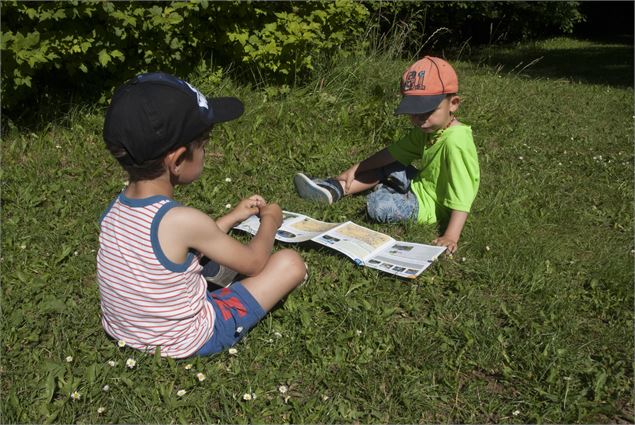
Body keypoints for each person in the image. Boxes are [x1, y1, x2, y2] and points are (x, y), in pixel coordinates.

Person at [97, 72, 307, 359]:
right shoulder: (183, 220)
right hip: (190, 339)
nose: (207, 152)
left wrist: (233, 216)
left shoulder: (115, 211)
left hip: (127, 332)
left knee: (208, 265)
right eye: (204, 145)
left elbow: (185, 244)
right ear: (178, 160)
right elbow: (255, 263)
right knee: (289, 263)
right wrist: (270, 220)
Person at [294, 56, 480, 254]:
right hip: (421, 185)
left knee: (378, 207)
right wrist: (356, 169)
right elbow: (392, 154)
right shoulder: (430, 130)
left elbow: (463, 194)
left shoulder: (456, 142)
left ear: (453, 104)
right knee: (387, 164)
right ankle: (334, 188)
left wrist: (451, 235)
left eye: (427, 110)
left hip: (432, 207)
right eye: (413, 112)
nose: (419, 119)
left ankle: (381, 187)